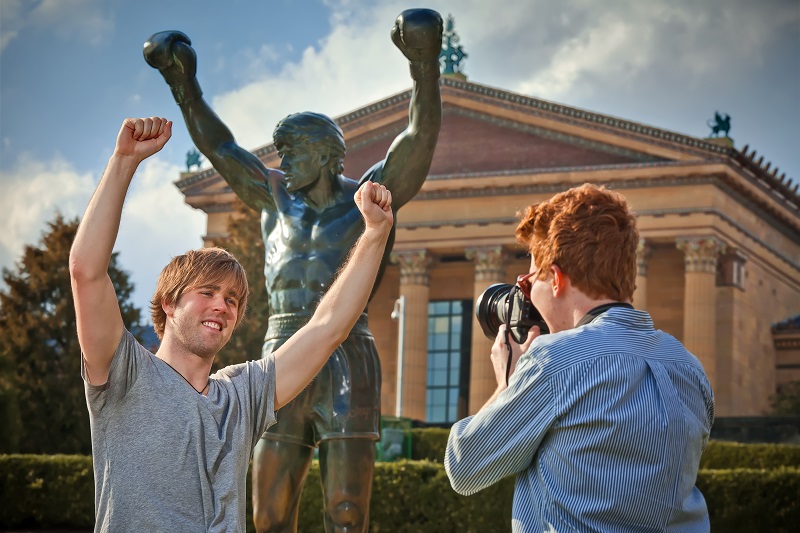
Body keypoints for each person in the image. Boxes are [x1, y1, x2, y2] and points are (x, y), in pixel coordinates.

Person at [143, 8, 443, 532]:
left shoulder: (368, 196)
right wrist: (183, 83)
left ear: (327, 156)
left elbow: (418, 139)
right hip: (281, 352)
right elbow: (221, 147)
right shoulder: (274, 199)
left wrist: (424, 67)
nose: (281, 161)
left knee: (347, 515)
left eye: (292, 152)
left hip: (348, 353)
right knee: (269, 515)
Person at [69, 116, 394, 532]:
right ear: (169, 304)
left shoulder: (243, 396)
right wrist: (124, 161)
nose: (222, 306)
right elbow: (86, 271)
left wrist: (374, 234)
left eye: (233, 300)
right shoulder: (124, 374)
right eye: (207, 293)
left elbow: (329, 327)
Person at [444, 183, 715, 532]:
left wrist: (506, 385)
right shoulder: (689, 368)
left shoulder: (554, 361)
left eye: (528, 284)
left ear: (556, 279)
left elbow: (466, 467)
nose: (526, 297)